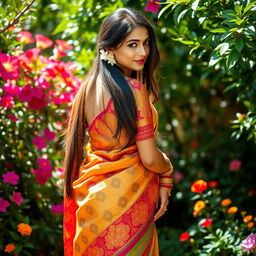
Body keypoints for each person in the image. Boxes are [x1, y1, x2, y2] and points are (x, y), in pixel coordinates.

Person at [63, 7, 174, 256]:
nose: (143, 52)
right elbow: (149, 157)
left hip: (92, 205)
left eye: (145, 43)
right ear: (110, 47)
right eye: (132, 45)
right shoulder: (134, 89)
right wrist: (167, 168)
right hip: (128, 202)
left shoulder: (86, 89)